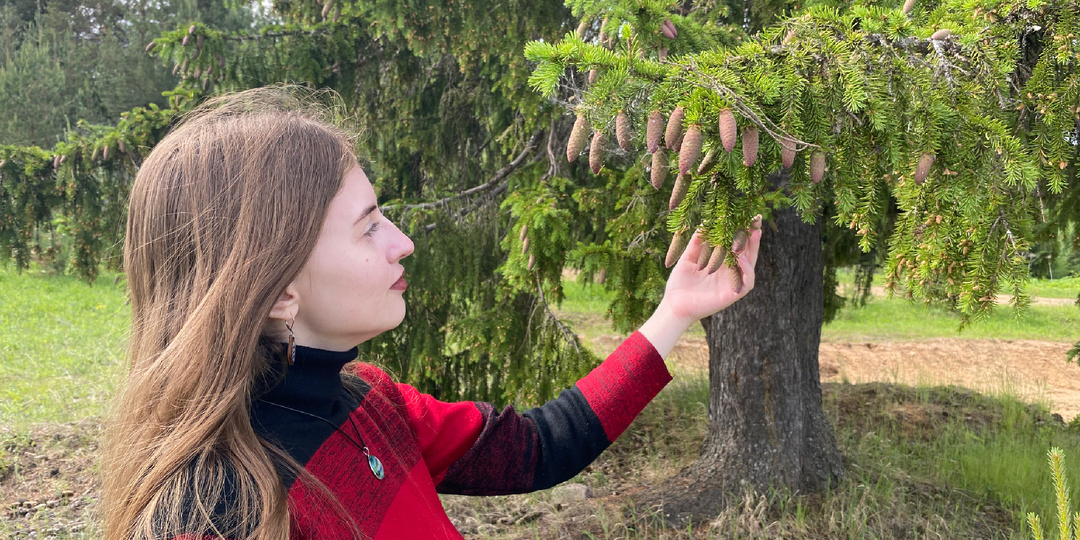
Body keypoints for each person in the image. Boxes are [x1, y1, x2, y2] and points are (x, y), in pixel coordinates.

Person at [100, 87, 762, 540]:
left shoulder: (372, 405)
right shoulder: (216, 513)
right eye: (368, 227)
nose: (403, 242)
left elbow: (535, 448)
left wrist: (675, 311)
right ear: (277, 293)